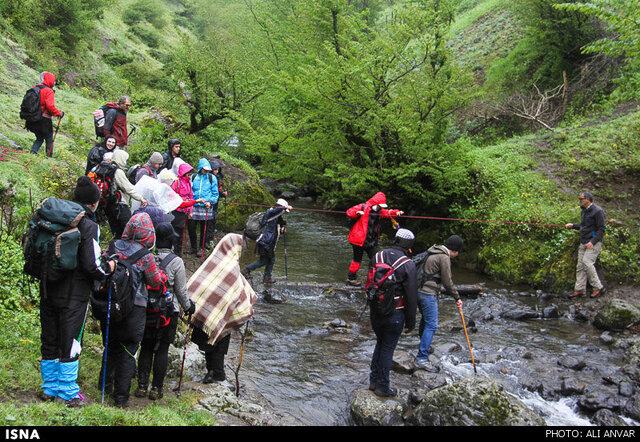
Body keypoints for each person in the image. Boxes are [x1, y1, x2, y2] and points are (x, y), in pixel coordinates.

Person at [38, 177, 115, 407]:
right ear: (93, 203)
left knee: (50, 336)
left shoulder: (56, 217)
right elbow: (93, 266)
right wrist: (109, 268)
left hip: (48, 286)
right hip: (75, 294)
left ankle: (48, 387)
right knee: (71, 340)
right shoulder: (90, 227)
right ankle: (68, 391)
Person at [97, 212, 165, 408]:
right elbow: (154, 281)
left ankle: (104, 386)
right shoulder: (146, 256)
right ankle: (120, 398)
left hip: (110, 304)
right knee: (128, 352)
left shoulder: (112, 246)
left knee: (110, 347)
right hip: (134, 310)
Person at [187, 234, 257, 385]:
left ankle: (211, 371)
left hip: (205, 314)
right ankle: (218, 375)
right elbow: (235, 293)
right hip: (219, 316)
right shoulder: (231, 268)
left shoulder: (213, 262)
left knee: (208, 344)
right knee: (219, 344)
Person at [136, 223, 195, 400]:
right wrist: (189, 307)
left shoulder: (148, 258)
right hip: (169, 312)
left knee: (146, 347)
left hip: (147, 309)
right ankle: (156, 389)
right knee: (162, 350)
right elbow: (181, 291)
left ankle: (141, 387)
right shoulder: (176, 262)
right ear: (171, 240)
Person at [368, 228, 417, 397]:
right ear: (409, 245)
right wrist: (411, 322)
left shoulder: (377, 256)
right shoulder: (408, 264)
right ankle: (382, 386)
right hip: (395, 314)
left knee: (379, 343)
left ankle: (373, 381)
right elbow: (411, 297)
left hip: (375, 311)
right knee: (388, 347)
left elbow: (368, 284)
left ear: (395, 239)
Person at [414, 234, 464, 373]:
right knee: (432, 324)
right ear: (456, 250)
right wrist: (457, 297)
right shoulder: (444, 257)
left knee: (425, 320)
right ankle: (422, 358)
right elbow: (448, 282)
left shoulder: (432, 251)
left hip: (418, 291)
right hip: (428, 294)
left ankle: (425, 347)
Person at [346, 192, 404, 286]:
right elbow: (349, 212)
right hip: (358, 240)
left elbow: (388, 213)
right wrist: (357, 213)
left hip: (371, 240)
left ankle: (375, 278)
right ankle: (351, 278)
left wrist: (396, 212)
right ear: (374, 203)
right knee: (357, 259)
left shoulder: (380, 211)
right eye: (379, 206)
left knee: (376, 259)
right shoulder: (362, 206)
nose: (380, 208)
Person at [566, 191, 606, 298]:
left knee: (587, 262)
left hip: (594, 243)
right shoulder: (584, 211)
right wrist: (573, 225)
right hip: (583, 242)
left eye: (581, 199)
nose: (579, 201)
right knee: (580, 266)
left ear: (587, 200)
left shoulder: (598, 211)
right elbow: (583, 226)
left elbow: (601, 229)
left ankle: (599, 287)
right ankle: (580, 290)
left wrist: (592, 242)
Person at [241, 199, 292, 284]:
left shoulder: (276, 216)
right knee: (267, 260)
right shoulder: (271, 212)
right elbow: (276, 210)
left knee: (269, 260)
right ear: (280, 207)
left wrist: (282, 228)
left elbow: (280, 223)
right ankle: (247, 270)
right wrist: (285, 207)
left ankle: (266, 277)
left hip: (267, 242)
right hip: (264, 242)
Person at [159, 167, 204, 256]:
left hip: (185, 211)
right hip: (177, 210)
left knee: (181, 234)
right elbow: (171, 196)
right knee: (176, 233)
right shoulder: (176, 182)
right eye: (189, 173)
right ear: (184, 173)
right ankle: (174, 253)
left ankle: (178, 254)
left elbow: (191, 196)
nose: (190, 175)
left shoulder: (189, 183)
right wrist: (184, 200)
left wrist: (190, 210)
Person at [109, 149, 148, 238]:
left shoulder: (109, 168)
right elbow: (128, 188)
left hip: (110, 206)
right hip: (120, 205)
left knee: (117, 233)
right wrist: (140, 198)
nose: (126, 162)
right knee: (128, 231)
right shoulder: (118, 172)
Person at [26, 72, 64, 156]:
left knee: (39, 138)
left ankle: (33, 153)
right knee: (49, 139)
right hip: (44, 119)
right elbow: (50, 107)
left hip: (33, 118)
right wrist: (59, 113)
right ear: (50, 80)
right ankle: (49, 157)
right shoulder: (48, 91)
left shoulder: (35, 88)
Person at [189, 158, 219, 257]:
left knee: (204, 228)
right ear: (200, 168)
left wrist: (210, 202)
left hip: (206, 207)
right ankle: (193, 247)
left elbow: (215, 194)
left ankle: (201, 248)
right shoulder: (193, 177)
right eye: (204, 169)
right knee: (191, 227)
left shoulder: (212, 178)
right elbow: (189, 191)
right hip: (194, 206)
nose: (205, 171)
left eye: (207, 169)